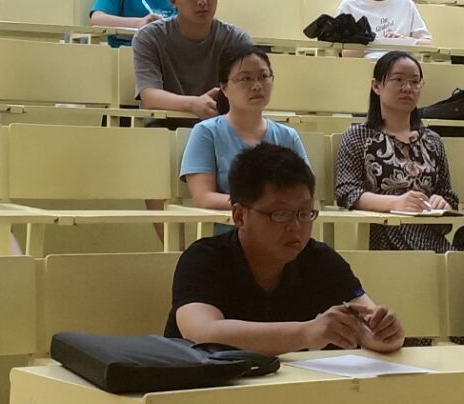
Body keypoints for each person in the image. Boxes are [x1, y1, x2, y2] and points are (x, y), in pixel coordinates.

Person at [167, 143, 403, 355]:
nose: (295, 226)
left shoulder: (321, 261)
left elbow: (367, 324)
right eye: (280, 214)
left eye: (304, 213)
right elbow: (202, 332)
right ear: (240, 215)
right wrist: (305, 334)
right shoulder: (204, 259)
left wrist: (385, 334)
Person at [335, 51, 464, 251]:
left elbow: (447, 194)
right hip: (384, 236)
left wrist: (442, 202)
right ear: (376, 86)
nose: (407, 88)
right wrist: (395, 203)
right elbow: (347, 192)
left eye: (415, 82)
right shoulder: (358, 136)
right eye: (398, 80)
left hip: (430, 238)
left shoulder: (433, 140)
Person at [181, 47, 310, 209]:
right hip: (228, 223)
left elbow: (304, 192)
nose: (257, 86)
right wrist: (258, 206)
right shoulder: (206, 132)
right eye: (245, 78)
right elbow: (204, 197)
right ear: (224, 88)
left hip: (281, 222)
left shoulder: (288, 136)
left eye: (263, 76)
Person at [132, 0, 252, 119]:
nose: (202, 1)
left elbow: (248, 91)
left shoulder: (236, 39)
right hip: (162, 124)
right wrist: (193, 104)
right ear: (173, 0)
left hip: (221, 125)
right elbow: (149, 96)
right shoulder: (149, 37)